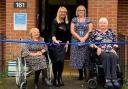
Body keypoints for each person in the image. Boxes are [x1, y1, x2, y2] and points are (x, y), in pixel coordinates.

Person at [89, 17, 120, 88]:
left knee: (113, 56)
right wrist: (97, 48)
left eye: (104, 23)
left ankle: (114, 79)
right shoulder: (94, 32)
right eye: (101, 23)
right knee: (106, 56)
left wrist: (114, 48)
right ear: (99, 24)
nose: (103, 24)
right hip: (100, 51)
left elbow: (115, 43)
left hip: (110, 50)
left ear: (107, 24)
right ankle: (108, 80)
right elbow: (90, 43)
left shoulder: (111, 32)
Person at [48, 6, 70, 87]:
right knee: (56, 62)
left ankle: (60, 77)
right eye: (61, 11)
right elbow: (53, 33)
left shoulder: (67, 22)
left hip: (63, 45)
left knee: (61, 62)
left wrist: (67, 43)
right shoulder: (55, 21)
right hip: (54, 44)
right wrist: (55, 40)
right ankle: (55, 78)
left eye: (64, 12)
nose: (63, 13)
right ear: (58, 12)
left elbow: (68, 34)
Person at [70, 5, 93, 80]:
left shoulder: (88, 19)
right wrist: (80, 38)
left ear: (85, 11)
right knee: (78, 58)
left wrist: (84, 38)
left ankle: (87, 75)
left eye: (82, 10)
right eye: (79, 10)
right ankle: (80, 74)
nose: (81, 11)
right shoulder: (74, 19)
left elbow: (90, 30)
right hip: (76, 41)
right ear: (77, 11)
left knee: (85, 57)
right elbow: (72, 31)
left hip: (86, 41)